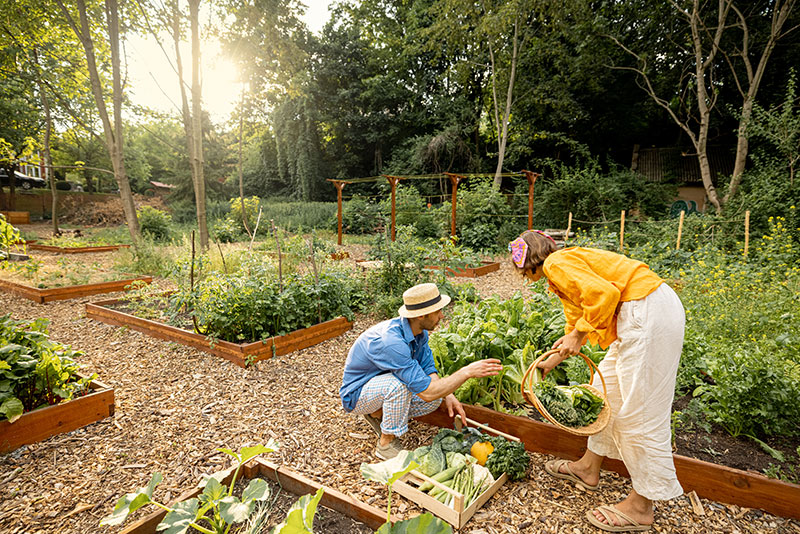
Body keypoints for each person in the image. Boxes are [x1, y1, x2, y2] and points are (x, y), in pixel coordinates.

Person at [509, 230, 684, 533]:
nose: (523, 275)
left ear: (531, 260)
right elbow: (576, 321)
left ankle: (642, 506)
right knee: (605, 394)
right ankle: (588, 467)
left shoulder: (556, 264)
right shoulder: (560, 274)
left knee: (639, 413)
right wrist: (552, 360)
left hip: (645, 309)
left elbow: (605, 296)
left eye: (521, 268)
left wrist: (578, 335)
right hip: (638, 312)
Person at [340, 283, 503, 460]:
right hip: (357, 394)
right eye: (437, 311)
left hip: (381, 384)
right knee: (399, 387)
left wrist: (448, 393)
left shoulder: (419, 332)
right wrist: (466, 372)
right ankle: (385, 445)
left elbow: (428, 369)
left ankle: (377, 413)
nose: (442, 315)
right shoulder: (391, 342)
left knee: (436, 398)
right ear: (421, 315)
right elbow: (426, 392)